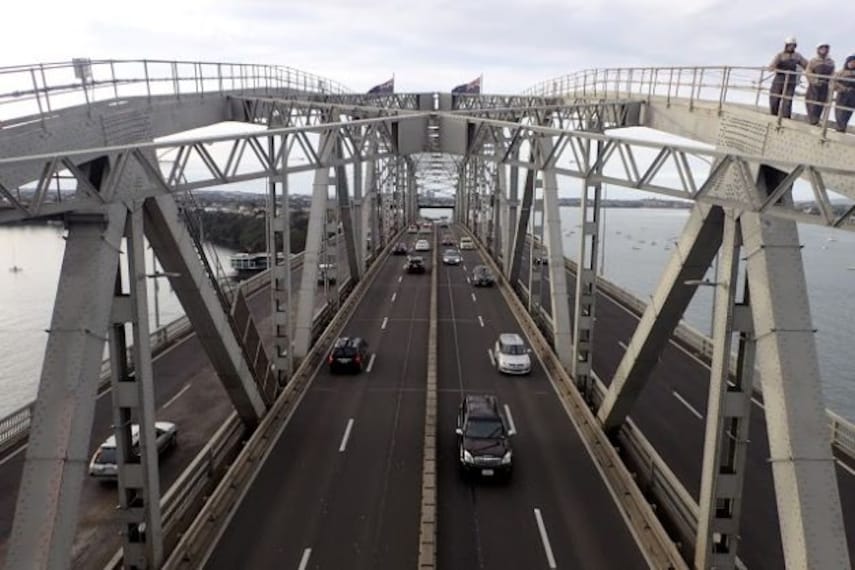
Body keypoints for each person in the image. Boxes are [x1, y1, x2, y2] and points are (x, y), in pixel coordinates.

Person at [768, 36, 808, 118]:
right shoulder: (780, 55)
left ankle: (786, 118)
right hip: (779, 79)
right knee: (774, 99)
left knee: (787, 101)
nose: (791, 47)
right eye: (790, 45)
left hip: (790, 81)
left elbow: (806, 65)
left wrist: (812, 69)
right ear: (786, 45)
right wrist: (772, 67)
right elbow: (772, 65)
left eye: (793, 45)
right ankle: (773, 116)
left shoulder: (797, 56)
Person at [805, 43, 835, 125]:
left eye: (826, 49)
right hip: (814, 86)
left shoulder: (831, 62)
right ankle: (812, 120)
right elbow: (808, 72)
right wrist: (814, 80)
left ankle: (816, 120)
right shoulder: (813, 61)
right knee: (811, 102)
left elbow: (832, 74)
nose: (824, 50)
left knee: (821, 103)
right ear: (818, 50)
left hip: (824, 86)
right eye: (822, 48)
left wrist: (831, 83)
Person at [833, 55, 855, 132]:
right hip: (842, 95)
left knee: (847, 113)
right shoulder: (841, 72)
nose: (852, 64)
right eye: (851, 62)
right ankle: (839, 128)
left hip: (852, 96)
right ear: (847, 63)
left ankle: (842, 129)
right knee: (839, 113)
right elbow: (834, 82)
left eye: (854, 62)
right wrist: (843, 88)